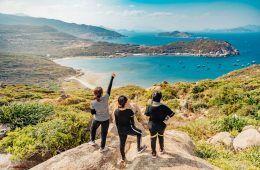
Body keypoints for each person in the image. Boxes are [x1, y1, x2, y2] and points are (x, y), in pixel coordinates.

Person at [114, 95, 146, 163]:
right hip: (128, 129)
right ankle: (139, 148)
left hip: (120, 130)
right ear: (125, 103)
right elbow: (132, 123)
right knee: (139, 132)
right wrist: (134, 129)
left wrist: (120, 130)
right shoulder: (129, 111)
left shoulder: (116, 111)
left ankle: (123, 158)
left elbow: (116, 123)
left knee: (122, 144)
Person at [88, 73, 116, 152]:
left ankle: (92, 141)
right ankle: (102, 148)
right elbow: (109, 88)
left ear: (94, 93)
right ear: (102, 93)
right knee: (104, 134)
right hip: (105, 120)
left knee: (93, 129)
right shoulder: (106, 97)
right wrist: (112, 78)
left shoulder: (92, 102)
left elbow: (92, 113)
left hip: (97, 119)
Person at [144, 91, 175, 158]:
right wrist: (165, 121)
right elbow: (172, 114)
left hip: (152, 126)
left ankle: (154, 153)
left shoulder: (149, 106)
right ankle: (161, 149)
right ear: (160, 98)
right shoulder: (164, 107)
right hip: (161, 126)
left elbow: (147, 115)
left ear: (152, 98)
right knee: (161, 136)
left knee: (153, 139)